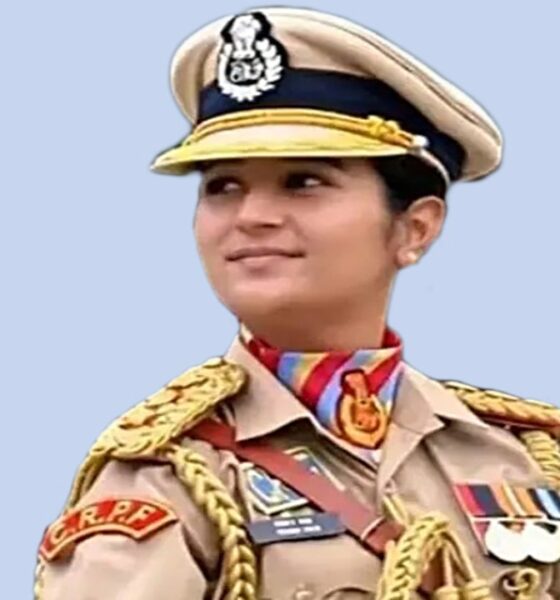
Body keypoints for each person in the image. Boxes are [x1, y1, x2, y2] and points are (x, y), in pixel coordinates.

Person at [35, 7, 560, 600]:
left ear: (415, 228)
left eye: (304, 181)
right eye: (222, 186)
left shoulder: (516, 455)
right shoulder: (168, 474)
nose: (251, 216)